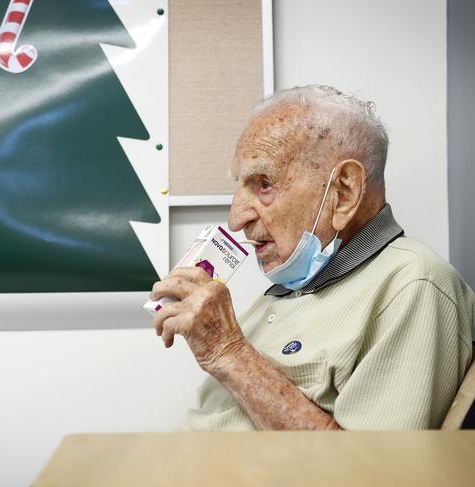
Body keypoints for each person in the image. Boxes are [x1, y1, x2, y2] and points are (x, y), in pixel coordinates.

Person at [150, 85, 475, 430]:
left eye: (264, 184)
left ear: (345, 192)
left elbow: (376, 473)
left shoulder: (414, 284)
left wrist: (229, 353)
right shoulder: (290, 285)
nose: (236, 219)